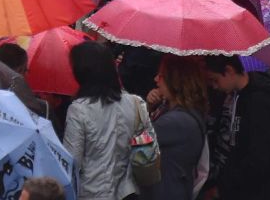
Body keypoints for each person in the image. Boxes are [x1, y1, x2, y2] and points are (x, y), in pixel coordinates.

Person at [63, 41, 149, 200]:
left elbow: (73, 161)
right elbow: (145, 151)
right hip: (128, 191)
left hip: (92, 192)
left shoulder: (78, 110)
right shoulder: (136, 103)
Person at [203, 55, 270, 198]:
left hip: (257, 192)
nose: (215, 86)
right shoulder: (232, 95)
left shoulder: (259, 104)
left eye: (215, 80)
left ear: (229, 71)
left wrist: (226, 186)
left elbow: (259, 159)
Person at [143, 56, 209, 200]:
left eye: (161, 76)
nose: (156, 79)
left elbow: (137, 142)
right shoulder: (180, 111)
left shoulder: (176, 121)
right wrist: (150, 107)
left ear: (175, 80)